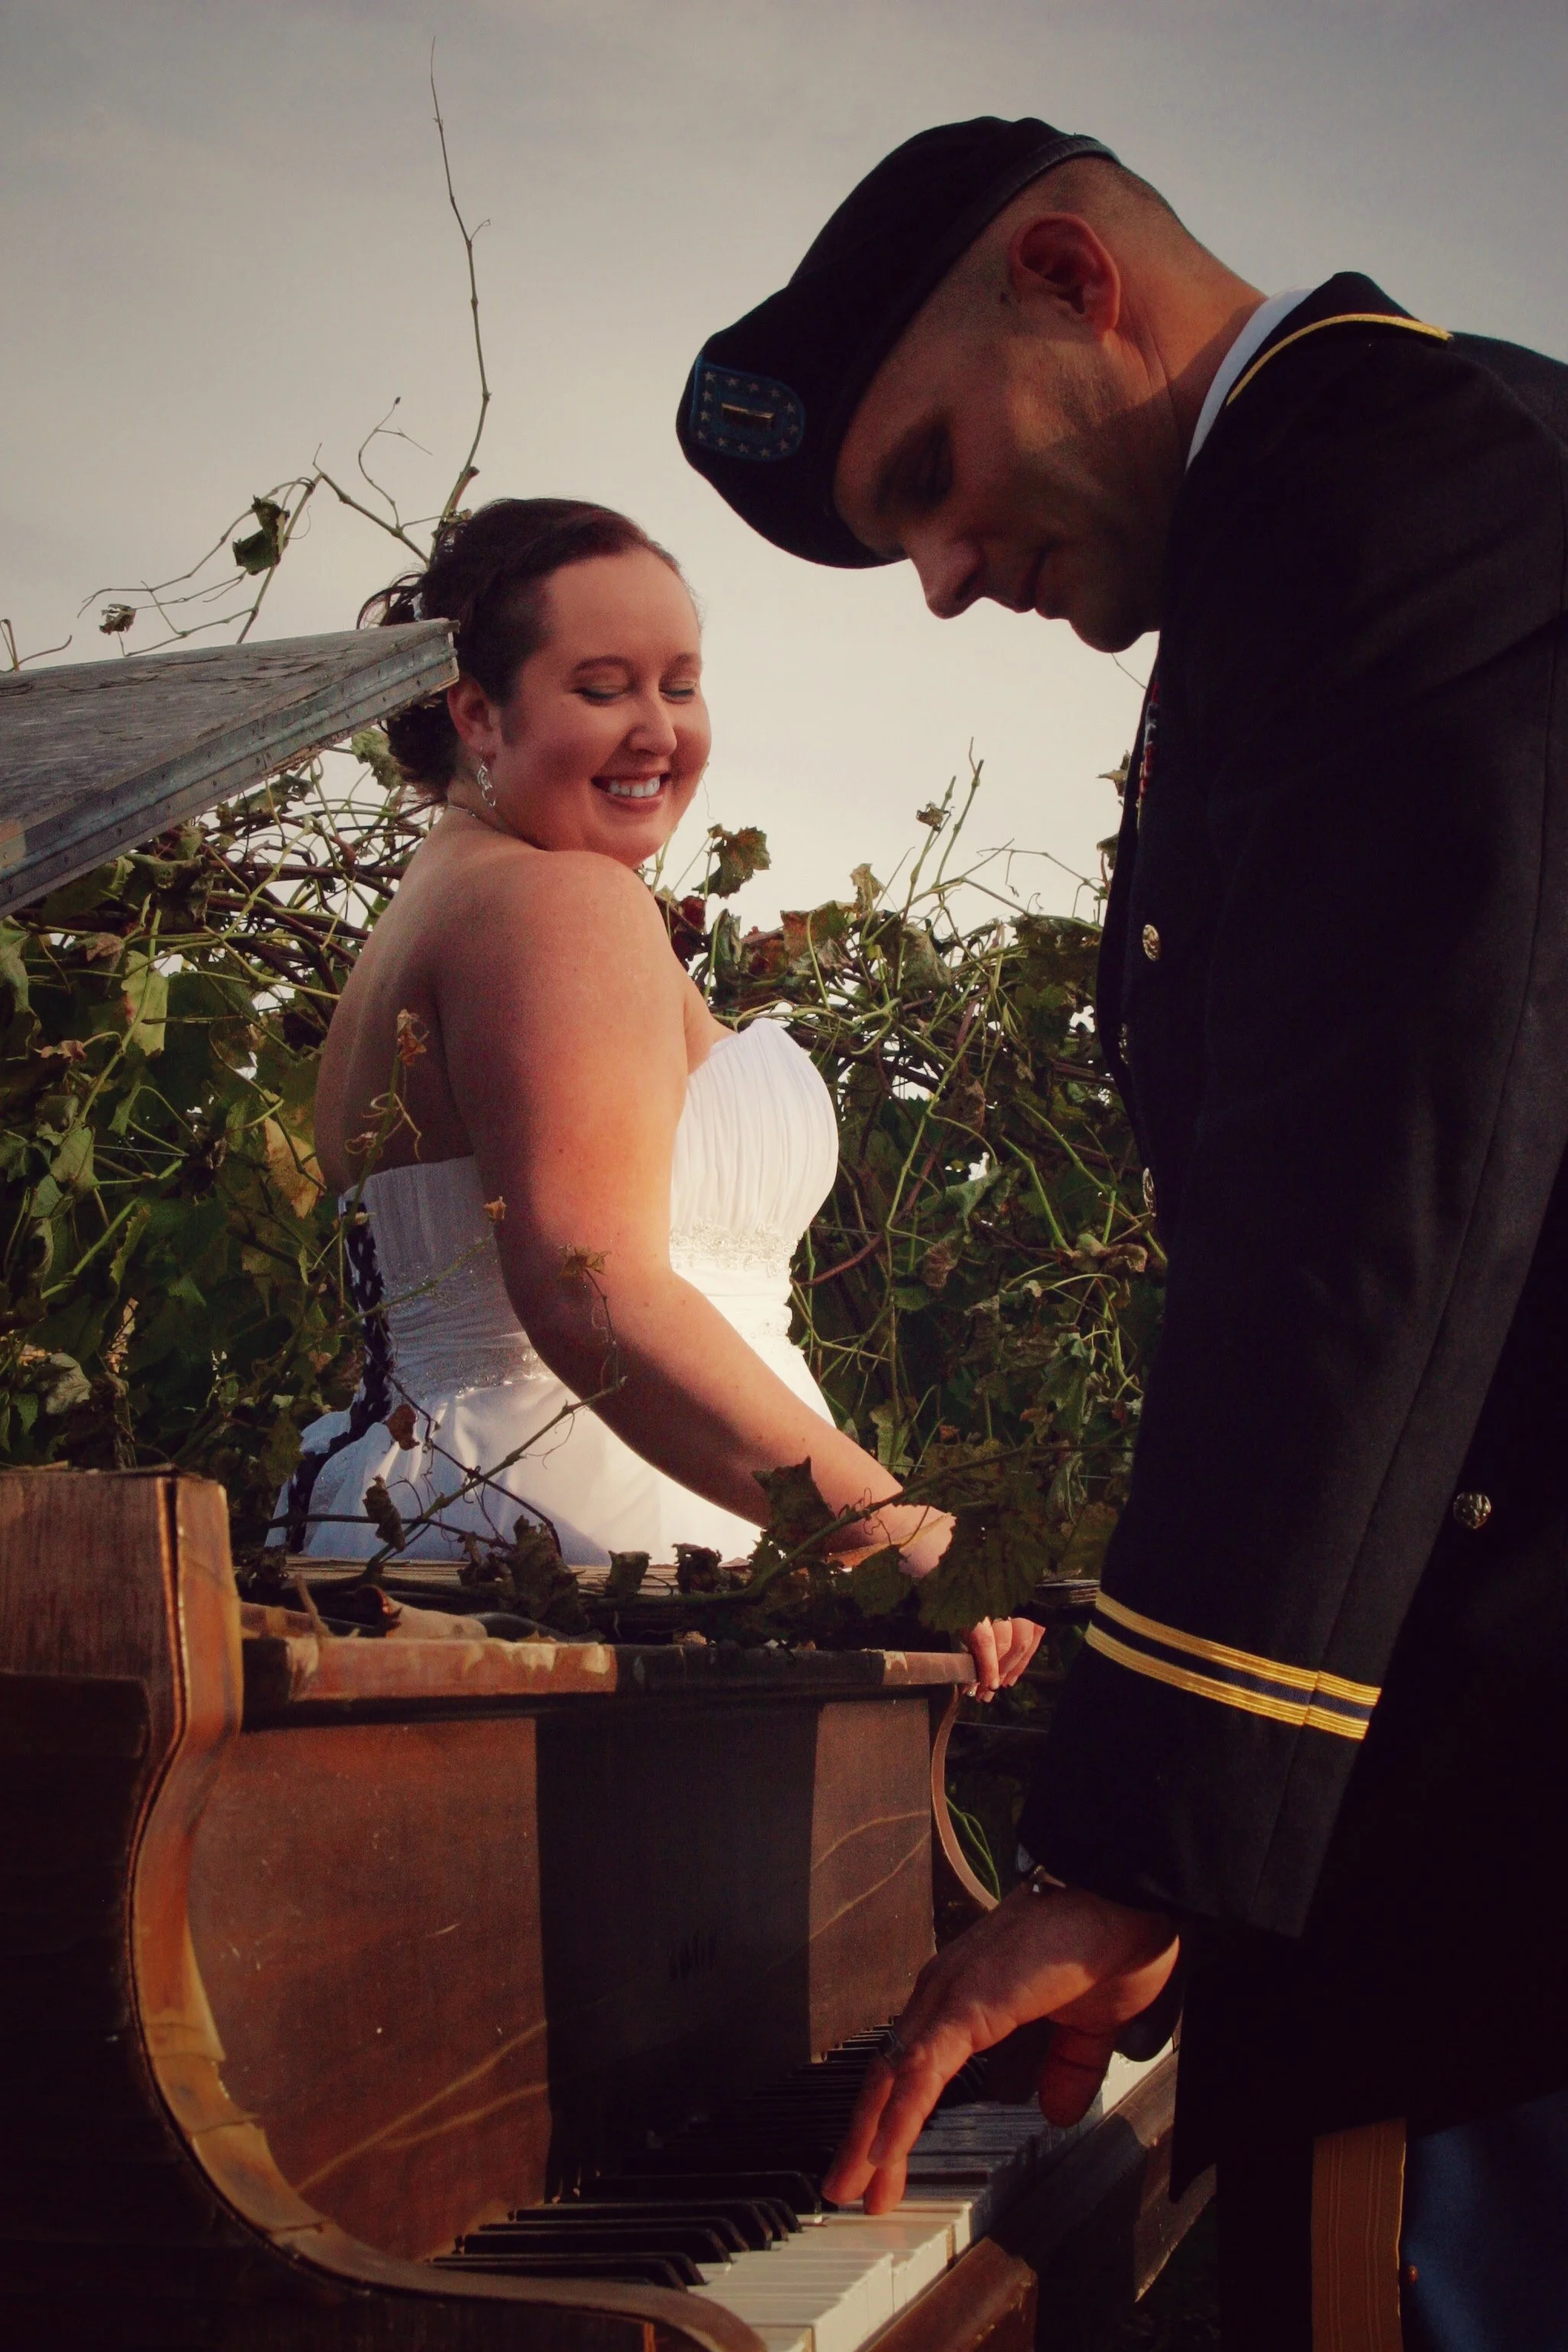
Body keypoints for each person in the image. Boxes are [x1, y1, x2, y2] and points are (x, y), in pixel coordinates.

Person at [677, 118, 1568, 2347]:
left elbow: (1378, 1191)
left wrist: (1149, 1846)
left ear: (1073, 279)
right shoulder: (1363, 497)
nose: (949, 578)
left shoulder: (1397, 496)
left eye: (930, 479)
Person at [282, 495, 1041, 1695]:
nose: (656, 732)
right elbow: (596, 1288)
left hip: (478, 1507)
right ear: (479, 712)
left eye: (678, 686)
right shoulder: (558, 906)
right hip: (599, 1535)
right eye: (601, 688)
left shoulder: (448, 897)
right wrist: (895, 1531)